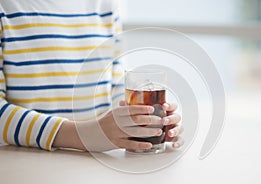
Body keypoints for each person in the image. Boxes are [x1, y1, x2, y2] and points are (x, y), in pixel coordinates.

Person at [0, 0, 182, 152]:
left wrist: (141, 122)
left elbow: (115, 83)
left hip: (96, 168)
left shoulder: (104, 5)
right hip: (27, 169)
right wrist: (83, 135)